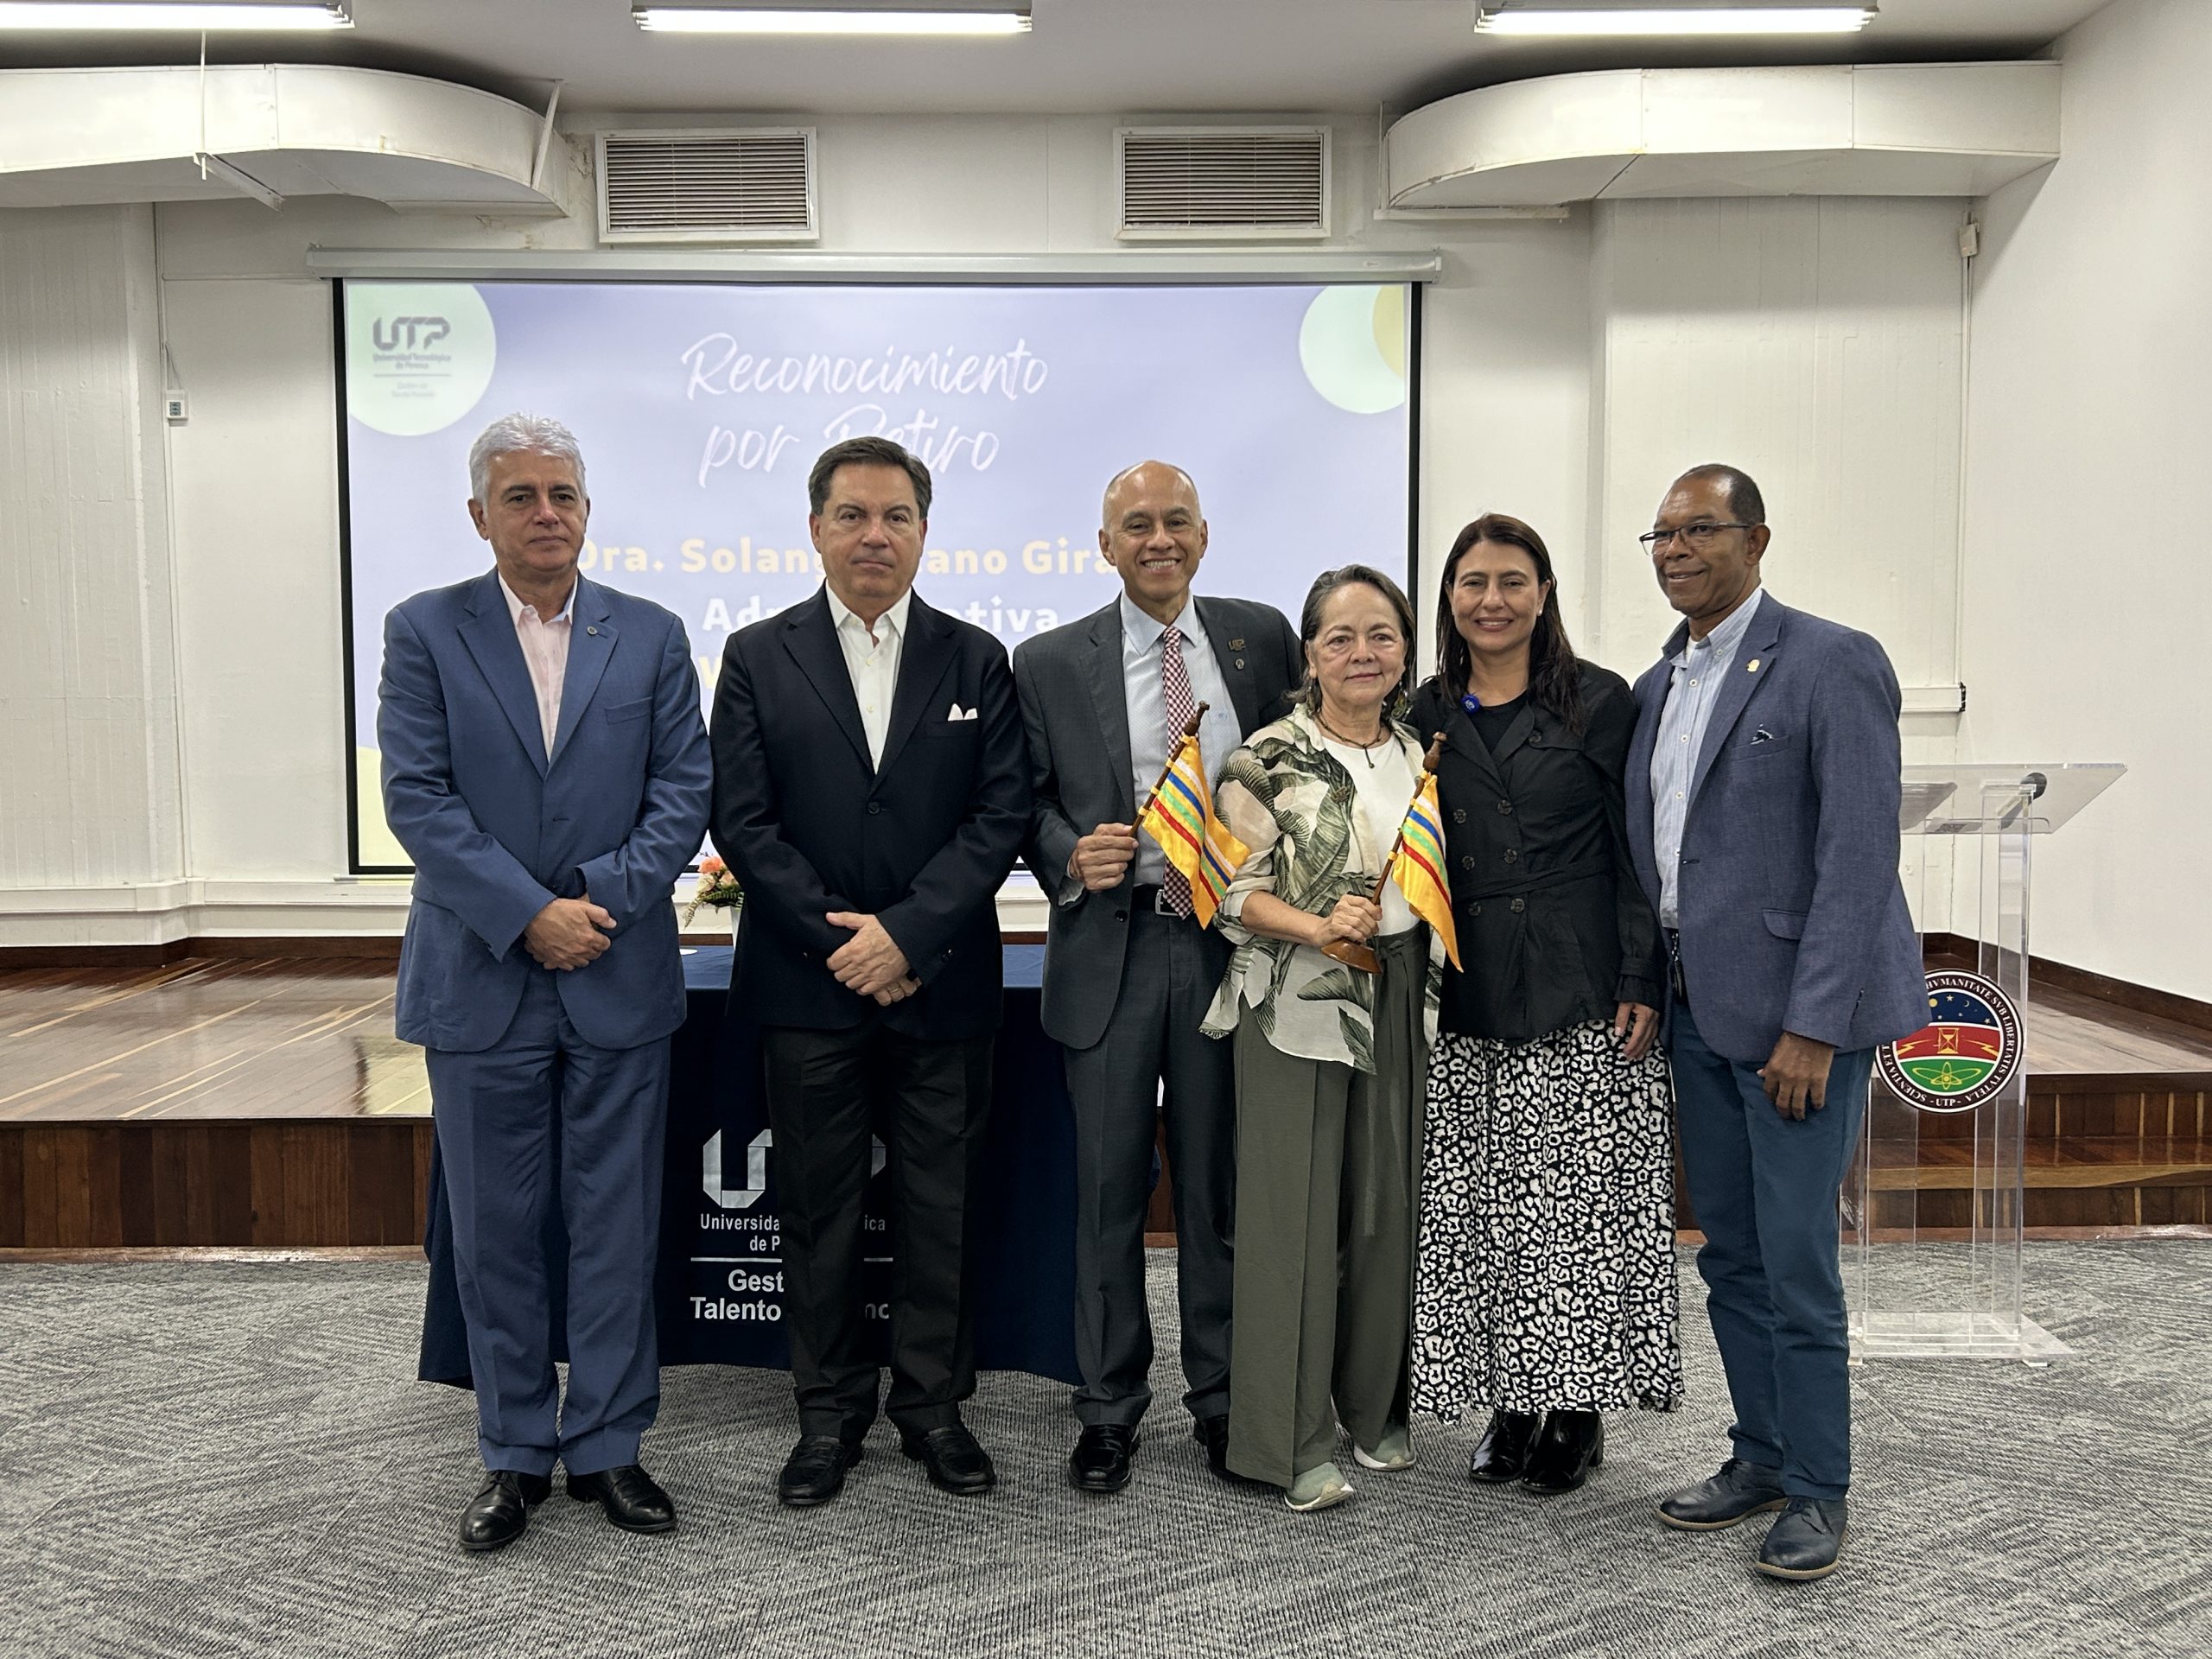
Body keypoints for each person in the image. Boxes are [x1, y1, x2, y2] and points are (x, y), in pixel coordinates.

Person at [378, 413, 712, 1552]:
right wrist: (530, 917)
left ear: (586, 508)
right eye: (521, 497)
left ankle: (612, 1446)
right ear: (482, 516)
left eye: (563, 494)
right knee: (498, 1232)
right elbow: (417, 798)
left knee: (618, 1230)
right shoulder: (424, 630)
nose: (546, 515)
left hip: (616, 970)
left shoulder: (653, 634)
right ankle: (516, 1451)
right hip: (480, 979)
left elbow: (684, 791)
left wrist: (594, 907)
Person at [709, 435, 1031, 1510]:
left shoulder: (977, 656)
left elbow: (999, 819)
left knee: (944, 1206)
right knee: (817, 1207)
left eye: (895, 516)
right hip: (808, 985)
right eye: (851, 515)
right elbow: (743, 823)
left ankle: (934, 1410)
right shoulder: (757, 655)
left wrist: (909, 936)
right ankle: (828, 1413)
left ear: (924, 533)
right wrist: (850, 943)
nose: (874, 535)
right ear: (815, 529)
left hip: (941, 980)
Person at [1625, 464, 1923, 1581]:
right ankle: (1759, 1453)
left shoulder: (1830, 661)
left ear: (1757, 537)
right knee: (1734, 1258)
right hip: (1701, 1014)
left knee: (1798, 1265)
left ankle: (1819, 1489)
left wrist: (1814, 1025)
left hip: (1801, 1030)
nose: (1674, 549)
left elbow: (1858, 860)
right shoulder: (1662, 684)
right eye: (1659, 534)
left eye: (1697, 529)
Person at [1012, 461, 1302, 1495]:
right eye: (1135, 525)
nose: (1158, 539)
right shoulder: (1046, 661)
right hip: (1115, 948)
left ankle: (1224, 1402)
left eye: (1175, 521)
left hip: (1234, 945)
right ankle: (1107, 1409)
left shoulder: (1261, 637)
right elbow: (1023, 801)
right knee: (1105, 1194)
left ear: (1205, 534)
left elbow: (1305, 766)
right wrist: (1062, 855)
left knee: (1223, 1191)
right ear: (1104, 546)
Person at [1406, 513, 1680, 1497]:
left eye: (1512, 581)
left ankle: (1576, 1408)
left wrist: (1641, 977)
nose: (1491, 600)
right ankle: (1509, 1401)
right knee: (1487, 1211)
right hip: (1469, 988)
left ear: (1544, 592)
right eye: (1472, 582)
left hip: (1580, 984)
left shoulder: (1600, 701)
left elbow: (1635, 852)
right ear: (1448, 597)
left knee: (1576, 1212)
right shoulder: (1421, 708)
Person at [1201, 564, 1441, 1513]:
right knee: (1290, 1228)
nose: (1361, 654)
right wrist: (1313, 927)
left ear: (1404, 650)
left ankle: (1372, 1408)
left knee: (1385, 1212)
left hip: (1399, 997)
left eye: (1379, 635)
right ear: (1308, 654)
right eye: (1339, 638)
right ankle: (1285, 1440)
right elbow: (1226, 894)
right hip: (1295, 1002)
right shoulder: (1263, 757)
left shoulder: (1422, 753)